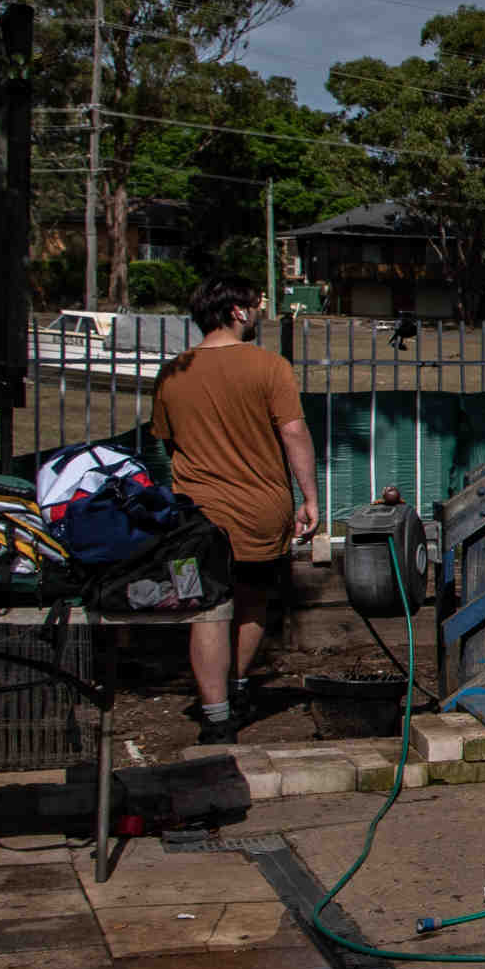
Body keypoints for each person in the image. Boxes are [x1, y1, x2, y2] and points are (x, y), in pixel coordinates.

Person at [149, 278, 317, 741]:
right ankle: (239, 684)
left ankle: (216, 712)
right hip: (260, 508)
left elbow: (165, 439)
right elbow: (294, 433)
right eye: (258, 304)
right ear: (238, 312)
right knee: (252, 599)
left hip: (194, 515)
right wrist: (310, 497)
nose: (262, 310)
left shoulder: (173, 372)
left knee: (207, 608)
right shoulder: (269, 366)